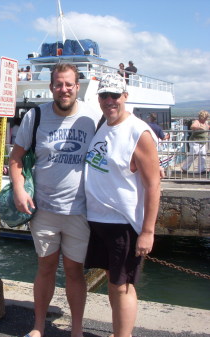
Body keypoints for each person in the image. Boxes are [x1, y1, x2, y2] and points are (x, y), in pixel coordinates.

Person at [9, 63, 102, 337]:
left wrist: (149, 162)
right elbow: (16, 158)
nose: (64, 90)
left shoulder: (92, 116)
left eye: (69, 84)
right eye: (59, 84)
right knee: (45, 268)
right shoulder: (35, 116)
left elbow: (117, 143)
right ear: (51, 87)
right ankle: (38, 327)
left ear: (77, 86)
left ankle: (76, 330)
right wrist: (18, 190)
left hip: (80, 211)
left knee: (75, 272)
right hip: (44, 210)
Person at [84, 73, 161, 337]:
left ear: (125, 97)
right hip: (98, 220)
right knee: (113, 283)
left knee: (123, 285)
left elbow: (153, 185)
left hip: (123, 225)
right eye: (104, 95)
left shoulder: (139, 132)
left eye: (115, 95)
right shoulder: (102, 125)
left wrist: (147, 232)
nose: (109, 101)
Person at [181, 110, 209, 174]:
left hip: (203, 142)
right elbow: (192, 126)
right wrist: (200, 128)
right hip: (195, 141)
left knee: (203, 156)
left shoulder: (205, 123)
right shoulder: (197, 122)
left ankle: (201, 170)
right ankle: (184, 167)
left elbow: (208, 127)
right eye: (206, 117)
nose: (206, 118)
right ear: (203, 117)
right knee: (193, 154)